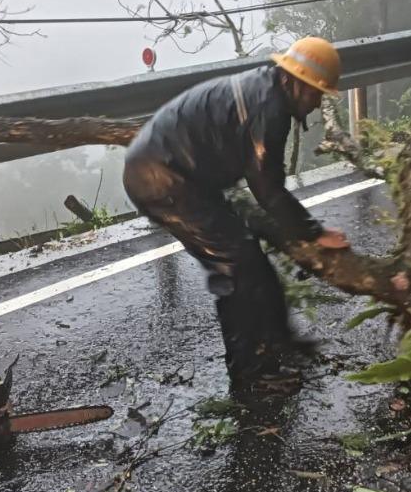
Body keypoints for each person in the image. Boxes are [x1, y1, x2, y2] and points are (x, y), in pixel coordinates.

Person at [122, 36, 351, 388]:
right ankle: (249, 373)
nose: (318, 101)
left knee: (252, 259)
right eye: (315, 92)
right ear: (294, 80)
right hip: (162, 178)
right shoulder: (270, 109)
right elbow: (268, 190)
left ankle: (278, 342)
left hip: (180, 172)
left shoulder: (270, 89)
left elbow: (265, 183)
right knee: (238, 264)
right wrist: (314, 232)